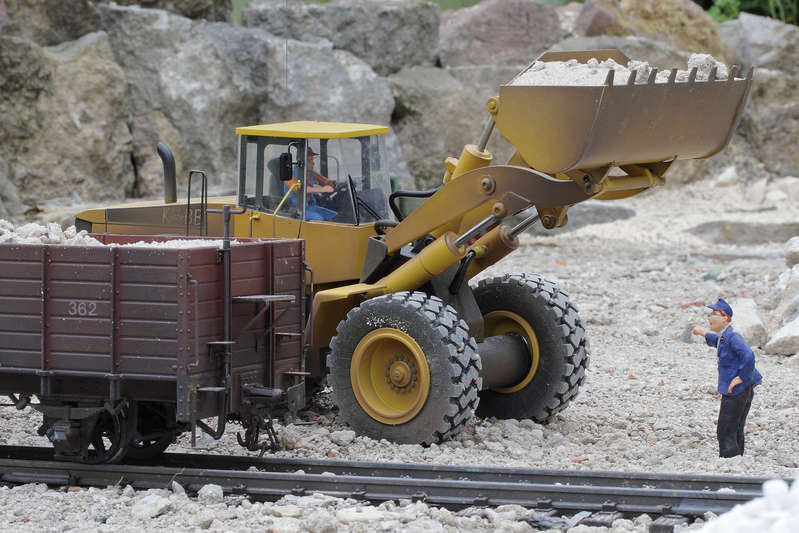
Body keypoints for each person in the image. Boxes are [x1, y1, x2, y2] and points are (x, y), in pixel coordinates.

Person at [692, 298, 762, 458]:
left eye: (714, 314)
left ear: (725, 318)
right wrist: (703, 332)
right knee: (736, 426)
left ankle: (730, 461)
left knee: (725, 429)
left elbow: (748, 355)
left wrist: (740, 378)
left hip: (737, 388)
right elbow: (718, 341)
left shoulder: (734, 337)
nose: (710, 318)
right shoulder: (725, 337)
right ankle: (739, 459)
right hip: (741, 387)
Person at [285, 147, 337, 221]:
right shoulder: (289, 175)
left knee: (335, 216)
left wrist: (337, 183)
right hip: (296, 209)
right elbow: (300, 189)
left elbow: (325, 182)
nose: (313, 163)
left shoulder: (310, 173)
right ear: (301, 162)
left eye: (312, 159)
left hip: (310, 206)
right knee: (319, 219)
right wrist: (322, 189)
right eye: (310, 160)